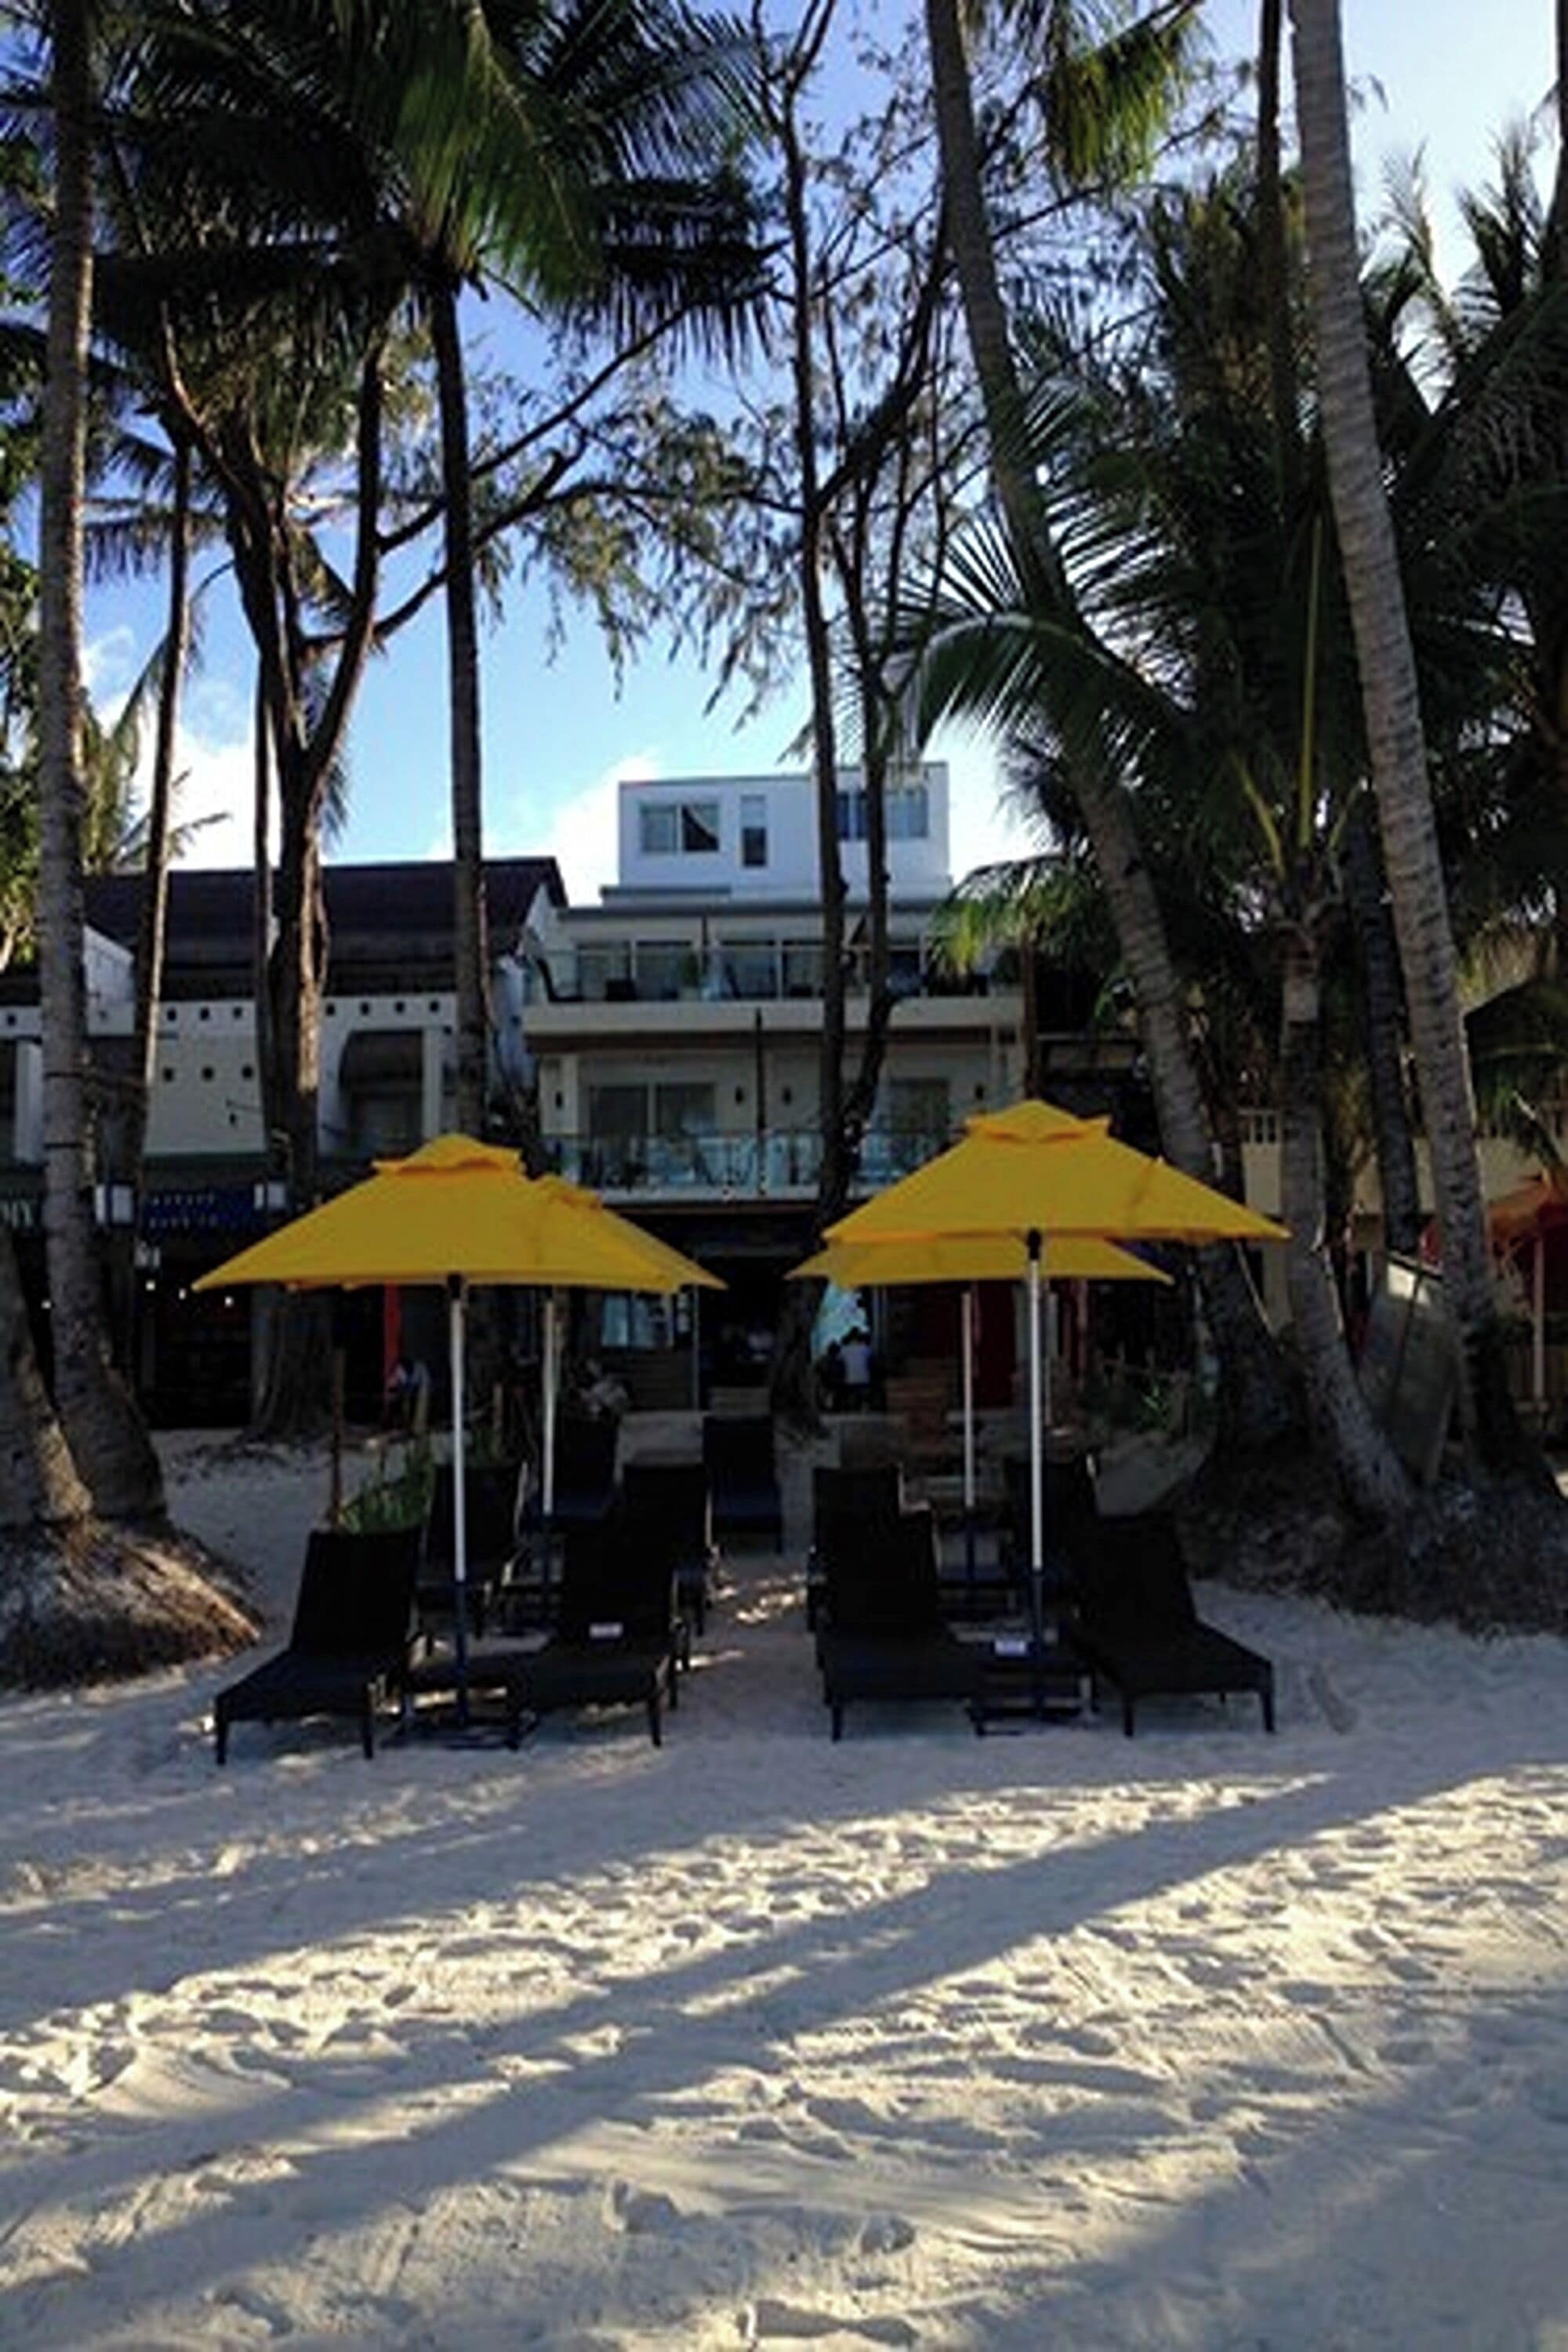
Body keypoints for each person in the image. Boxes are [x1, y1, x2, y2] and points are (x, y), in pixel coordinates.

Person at [385, 1352, 431, 1435]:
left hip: (422, 1382)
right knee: (406, 1404)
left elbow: (409, 1386)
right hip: (410, 1383)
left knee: (420, 1405)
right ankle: (408, 1426)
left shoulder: (402, 1372)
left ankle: (418, 1429)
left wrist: (400, 1395)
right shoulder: (397, 1375)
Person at [840, 1327, 873, 1409]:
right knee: (863, 1390)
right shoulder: (865, 1349)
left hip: (849, 1379)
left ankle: (851, 1404)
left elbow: (839, 1361)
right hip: (864, 1379)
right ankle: (865, 1404)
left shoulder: (844, 1350)